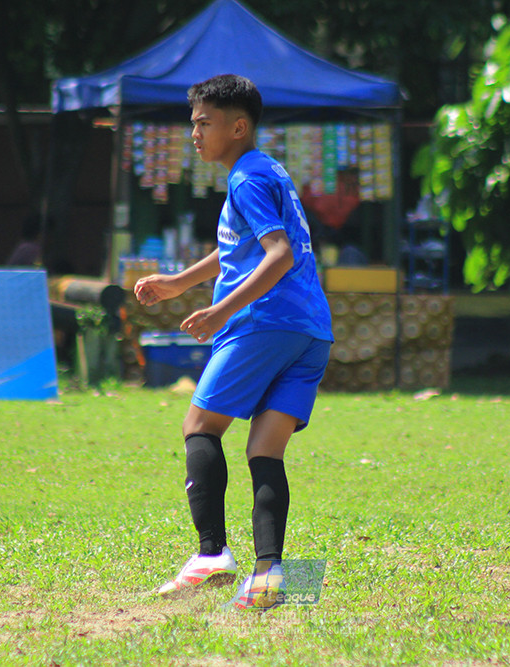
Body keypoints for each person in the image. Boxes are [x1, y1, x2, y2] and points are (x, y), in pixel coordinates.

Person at [133, 74, 333, 610]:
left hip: (266, 322)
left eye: (204, 123)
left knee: (199, 425)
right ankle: (271, 576)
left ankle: (211, 555)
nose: (194, 133)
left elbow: (278, 255)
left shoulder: (245, 179)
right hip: (311, 331)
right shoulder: (267, 170)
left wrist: (221, 309)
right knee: (264, 449)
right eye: (192, 122)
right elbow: (242, 249)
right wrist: (179, 282)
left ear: (238, 126)